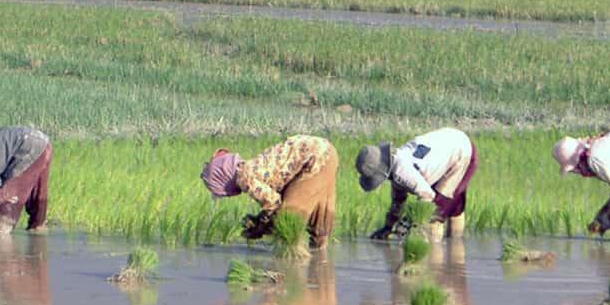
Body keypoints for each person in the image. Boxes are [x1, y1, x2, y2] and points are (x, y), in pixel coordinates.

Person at [201, 135, 338, 248]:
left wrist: (260, 226)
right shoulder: (251, 167)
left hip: (314, 158)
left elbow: (274, 203)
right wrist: (263, 221)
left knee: (289, 218)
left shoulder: (244, 177)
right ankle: (320, 261)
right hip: (327, 151)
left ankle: (290, 268)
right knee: (320, 214)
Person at [355, 127, 477, 242]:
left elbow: (428, 195)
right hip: (447, 147)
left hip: (460, 151)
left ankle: (443, 254)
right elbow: (398, 202)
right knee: (448, 207)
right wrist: (388, 227)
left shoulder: (403, 172)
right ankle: (453, 251)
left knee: (435, 218)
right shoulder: (395, 164)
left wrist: (413, 219)